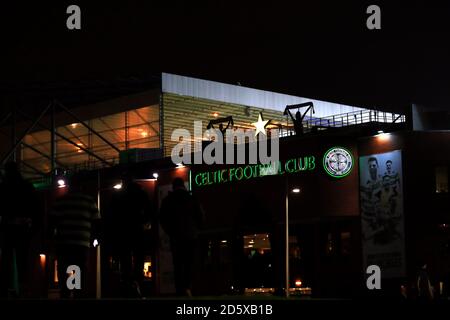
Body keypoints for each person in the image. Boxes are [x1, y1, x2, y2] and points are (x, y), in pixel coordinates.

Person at [49, 172, 100, 298]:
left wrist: (51, 239)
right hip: (81, 243)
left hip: (63, 243)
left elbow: (52, 222)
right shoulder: (89, 201)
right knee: (78, 268)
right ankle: (77, 294)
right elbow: (97, 222)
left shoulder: (60, 202)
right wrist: (95, 239)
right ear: (81, 186)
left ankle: (66, 293)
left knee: (64, 269)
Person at [108, 171, 153, 298]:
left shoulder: (117, 195)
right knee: (139, 258)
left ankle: (127, 285)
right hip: (138, 230)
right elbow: (149, 211)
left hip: (122, 232)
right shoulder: (141, 193)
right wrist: (145, 223)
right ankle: (138, 284)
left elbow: (111, 216)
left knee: (125, 259)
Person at [159, 178, 204, 296]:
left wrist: (170, 231)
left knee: (178, 264)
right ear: (183, 186)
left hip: (176, 237)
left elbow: (162, 219)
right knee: (189, 263)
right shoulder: (192, 198)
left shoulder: (167, 200)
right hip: (190, 236)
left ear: (173, 187)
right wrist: (196, 229)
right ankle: (188, 287)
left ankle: (179, 289)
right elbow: (201, 217)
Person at [0, 161, 38, 298]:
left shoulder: (4, 187)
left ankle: (6, 288)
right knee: (22, 259)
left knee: (6, 259)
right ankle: (23, 288)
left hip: (7, 227)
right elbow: (36, 208)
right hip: (23, 228)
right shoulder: (27, 186)